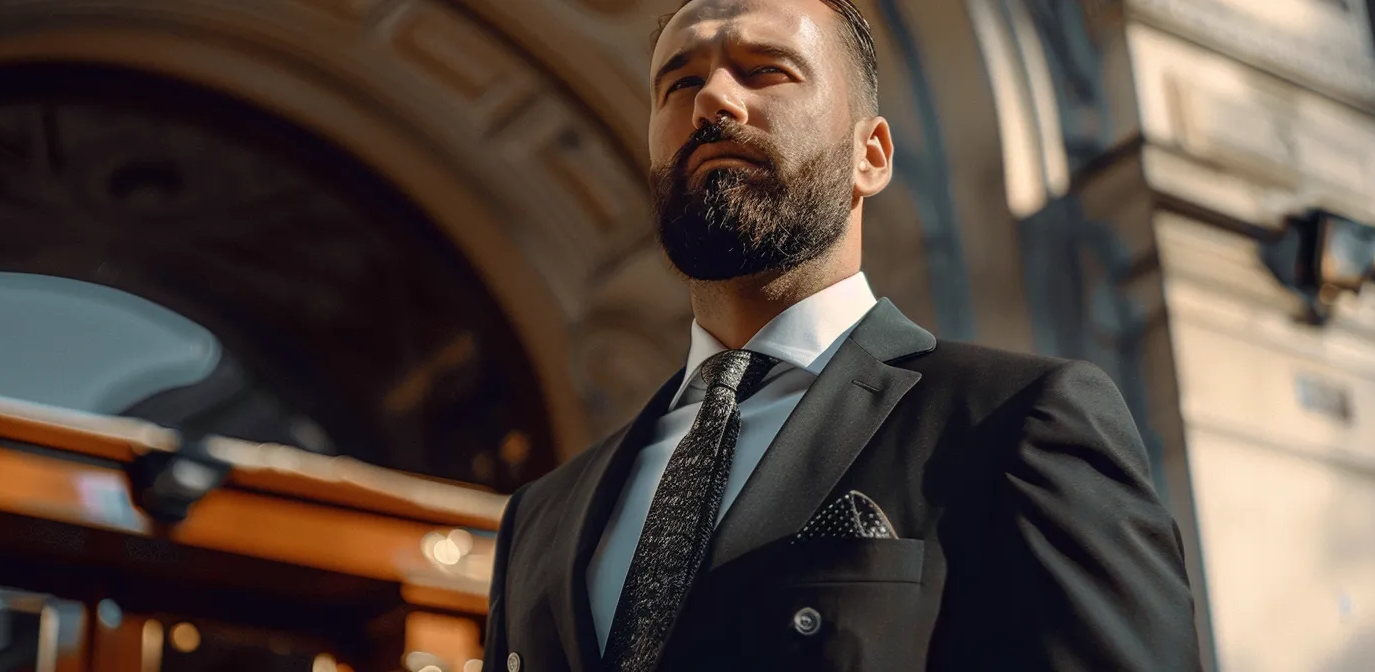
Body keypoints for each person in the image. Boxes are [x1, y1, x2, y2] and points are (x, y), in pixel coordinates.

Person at [481, 0, 1200, 670]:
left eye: (766, 70)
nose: (712, 100)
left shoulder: (1017, 422)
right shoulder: (539, 520)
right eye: (678, 84)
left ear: (872, 155)